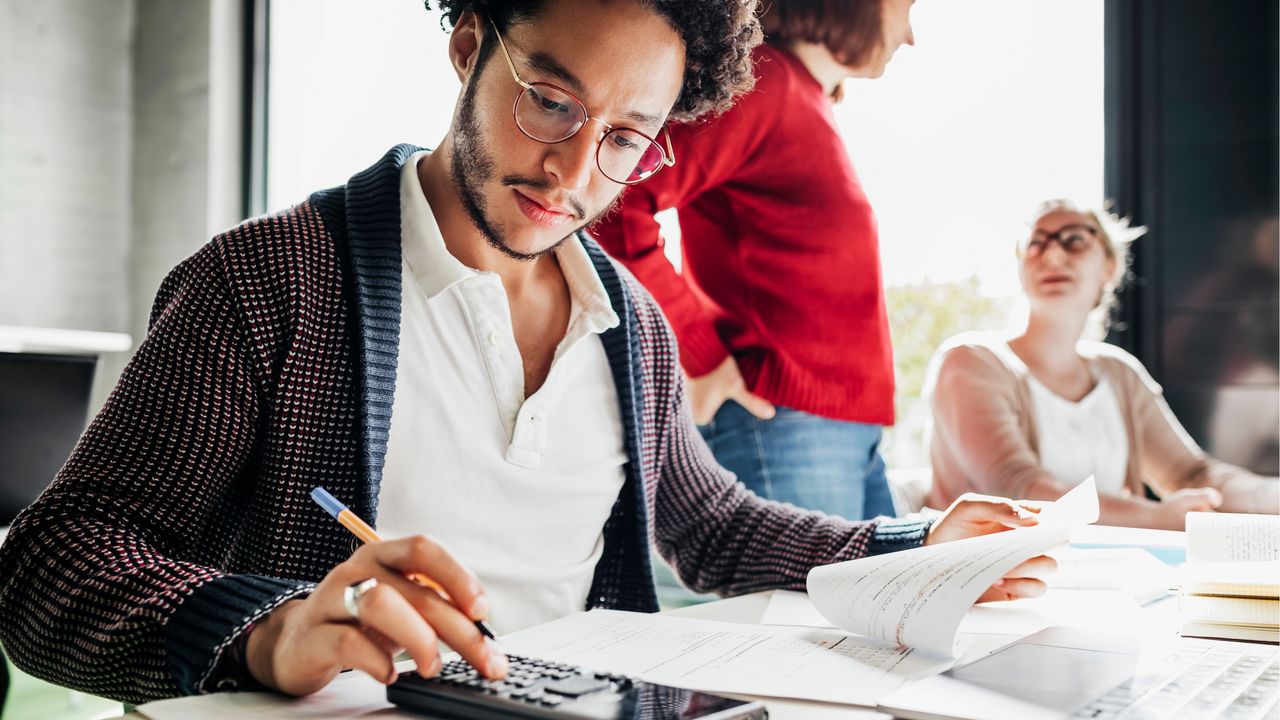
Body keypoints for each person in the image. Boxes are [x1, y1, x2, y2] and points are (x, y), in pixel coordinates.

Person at [0, 0, 1051, 705]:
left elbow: (713, 526)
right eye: (549, 101)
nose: (574, 172)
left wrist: (908, 546)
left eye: (626, 139)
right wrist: (272, 630)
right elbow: (54, 564)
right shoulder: (267, 281)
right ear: (466, 46)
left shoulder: (628, 324)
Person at [591, 0, 917, 521]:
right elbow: (614, 201)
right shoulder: (766, 85)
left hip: (841, 430)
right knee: (806, 606)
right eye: (906, 8)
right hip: (784, 424)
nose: (909, 36)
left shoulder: (802, 97)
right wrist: (703, 357)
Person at [925, 199, 1280, 530]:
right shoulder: (971, 360)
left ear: (1109, 267)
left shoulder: (1119, 372)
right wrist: (1155, 517)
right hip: (993, 585)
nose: (1052, 256)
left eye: (1074, 240)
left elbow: (1191, 474)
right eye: (1036, 243)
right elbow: (1020, 489)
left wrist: (1268, 496)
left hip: (1101, 576)